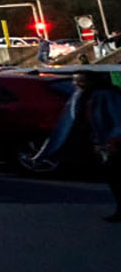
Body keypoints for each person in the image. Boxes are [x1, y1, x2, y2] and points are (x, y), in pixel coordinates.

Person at [32, 70, 121, 222]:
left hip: (112, 143)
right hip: (97, 142)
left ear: (93, 82)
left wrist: (114, 141)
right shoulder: (80, 96)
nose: (76, 84)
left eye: (81, 81)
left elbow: (117, 119)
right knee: (112, 179)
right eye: (75, 81)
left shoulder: (106, 95)